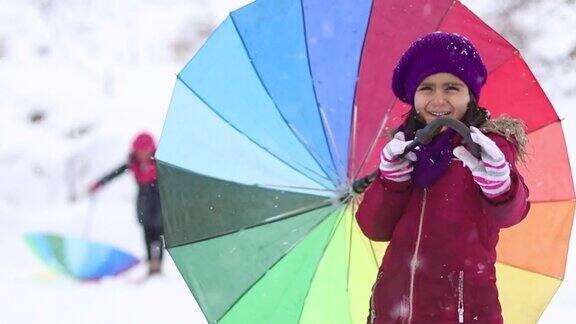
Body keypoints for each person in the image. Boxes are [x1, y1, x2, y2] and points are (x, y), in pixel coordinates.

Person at [355, 32, 530, 324]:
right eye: (426, 88)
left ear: (470, 95)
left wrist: (499, 184)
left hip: (462, 313)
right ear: (413, 95)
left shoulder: (487, 147)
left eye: (452, 87)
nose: (438, 99)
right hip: (391, 312)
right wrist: (391, 182)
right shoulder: (403, 148)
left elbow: (511, 214)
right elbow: (374, 227)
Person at [89, 132, 164, 276]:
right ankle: (150, 265)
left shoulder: (159, 163)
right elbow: (114, 174)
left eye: (145, 150)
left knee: (160, 236)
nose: (143, 154)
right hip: (143, 204)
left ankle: (158, 266)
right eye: (140, 151)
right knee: (147, 235)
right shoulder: (133, 164)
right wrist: (98, 184)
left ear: (151, 149)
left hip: (160, 205)